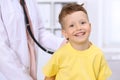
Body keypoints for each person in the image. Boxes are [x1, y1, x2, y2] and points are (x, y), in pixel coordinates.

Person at [42, 3, 112, 80]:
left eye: (82, 23)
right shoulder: (60, 54)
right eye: (72, 25)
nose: (78, 28)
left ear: (90, 26)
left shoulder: (98, 54)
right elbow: (49, 76)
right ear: (65, 33)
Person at [0, 0, 65, 80]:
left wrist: (64, 43)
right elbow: (2, 51)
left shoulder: (30, 1)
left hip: (31, 70)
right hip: (11, 75)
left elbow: (39, 32)